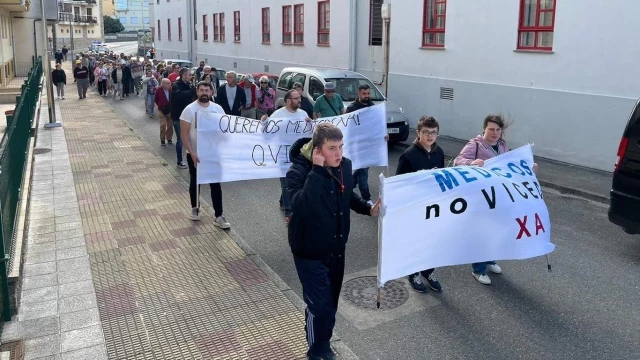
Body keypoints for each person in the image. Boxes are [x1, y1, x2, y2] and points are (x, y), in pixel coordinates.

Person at [287, 123, 380, 360]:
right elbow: (301, 207)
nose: (338, 153)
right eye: (332, 148)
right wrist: (317, 171)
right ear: (317, 150)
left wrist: (367, 209)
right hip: (309, 252)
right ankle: (317, 351)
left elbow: (347, 195)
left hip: (337, 250)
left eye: (340, 147)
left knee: (330, 306)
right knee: (320, 308)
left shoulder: (344, 165)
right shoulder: (298, 171)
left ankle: (324, 343)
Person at [453, 114, 538, 285]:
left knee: (497, 229)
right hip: (481, 196)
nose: (495, 132)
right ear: (484, 129)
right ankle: (478, 269)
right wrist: (471, 163)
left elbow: (510, 164)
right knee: (483, 231)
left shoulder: (502, 145)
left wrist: (527, 167)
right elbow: (457, 161)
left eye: (498, 129)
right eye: (491, 129)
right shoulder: (475, 144)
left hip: (499, 195)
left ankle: (490, 259)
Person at [396, 116, 445, 293]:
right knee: (416, 242)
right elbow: (399, 184)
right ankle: (413, 273)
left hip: (432, 207)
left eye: (433, 132)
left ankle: (428, 271)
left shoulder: (439, 152)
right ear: (419, 133)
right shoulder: (408, 155)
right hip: (414, 207)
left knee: (432, 241)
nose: (430, 136)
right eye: (426, 132)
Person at [180, 81, 232, 229]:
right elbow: (184, 135)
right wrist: (192, 153)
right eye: (201, 90)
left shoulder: (218, 109)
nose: (204, 93)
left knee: (215, 184)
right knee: (196, 182)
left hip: (213, 154)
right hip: (195, 154)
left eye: (207, 90)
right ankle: (195, 208)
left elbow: (225, 130)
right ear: (197, 92)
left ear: (211, 92)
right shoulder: (189, 110)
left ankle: (219, 216)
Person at [261, 90, 309, 223]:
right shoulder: (278, 114)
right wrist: (264, 123)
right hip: (283, 155)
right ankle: (290, 212)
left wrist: (310, 124)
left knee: (297, 181)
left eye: (300, 97)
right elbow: (267, 135)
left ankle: (284, 200)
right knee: (286, 182)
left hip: (299, 156)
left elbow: (308, 133)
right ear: (288, 101)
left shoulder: (303, 114)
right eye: (296, 98)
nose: (300, 100)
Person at [346, 84, 376, 205]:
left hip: (368, 145)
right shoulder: (352, 108)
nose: (367, 96)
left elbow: (376, 124)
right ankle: (366, 197)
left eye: (368, 93)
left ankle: (349, 185)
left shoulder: (372, 106)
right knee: (363, 172)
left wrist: (382, 135)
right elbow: (348, 127)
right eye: (364, 94)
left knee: (361, 168)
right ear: (358, 93)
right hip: (357, 145)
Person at [171, 68, 196, 169]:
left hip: (190, 117)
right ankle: (179, 160)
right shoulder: (176, 85)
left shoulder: (190, 86)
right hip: (179, 117)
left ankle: (192, 158)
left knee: (192, 139)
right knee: (181, 139)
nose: (191, 77)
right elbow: (179, 96)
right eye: (189, 75)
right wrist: (191, 91)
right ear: (184, 76)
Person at [155, 78, 174, 146]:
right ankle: (162, 139)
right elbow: (156, 99)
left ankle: (169, 138)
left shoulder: (172, 89)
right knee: (163, 125)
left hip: (170, 109)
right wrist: (160, 105)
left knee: (170, 125)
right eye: (168, 83)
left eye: (170, 83)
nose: (169, 85)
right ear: (163, 84)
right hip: (161, 109)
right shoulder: (159, 90)